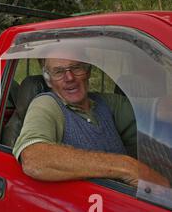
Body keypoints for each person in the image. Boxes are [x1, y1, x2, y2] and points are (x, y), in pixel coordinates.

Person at [12, 58, 170, 188]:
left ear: (87, 71)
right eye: (59, 72)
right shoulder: (47, 104)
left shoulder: (105, 102)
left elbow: (159, 109)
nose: (69, 77)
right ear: (49, 80)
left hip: (128, 202)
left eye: (76, 67)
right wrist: (127, 166)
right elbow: (34, 158)